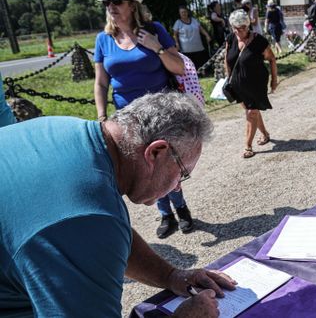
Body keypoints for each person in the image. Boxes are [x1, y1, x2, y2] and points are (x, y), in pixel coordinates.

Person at [0, 92, 236, 317]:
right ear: (156, 152)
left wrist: (171, 276)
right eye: (182, 173)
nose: (177, 187)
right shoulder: (87, 217)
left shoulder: (66, 129)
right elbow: (88, 229)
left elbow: (103, 236)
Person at [93, 0, 195, 239]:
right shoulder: (103, 40)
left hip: (162, 113)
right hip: (127, 116)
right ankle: (166, 214)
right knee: (144, 167)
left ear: (132, 5)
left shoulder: (154, 29)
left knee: (167, 161)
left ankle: (182, 209)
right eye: (107, 3)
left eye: (117, 2)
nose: (111, 7)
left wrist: (156, 47)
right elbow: (101, 82)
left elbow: (179, 68)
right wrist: (102, 116)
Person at [224, 10, 279, 159]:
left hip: (256, 83)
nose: (239, 30)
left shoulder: (259, 41)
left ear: (248, 26)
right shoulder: (230, 39)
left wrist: (274, 80)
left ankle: (248, 145)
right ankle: (265, 134)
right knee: (252, 111)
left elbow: (272, 59)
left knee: (251, 112)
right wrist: (228, 78)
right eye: (236, 27)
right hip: (238, 84)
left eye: (242, 27)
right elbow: (227, 59)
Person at [173, 5, 212, 70]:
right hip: (186, 49)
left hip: (198, 47)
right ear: (179, 14)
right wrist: (176, 43)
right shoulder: (178, 23)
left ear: (187, 12)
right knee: (190, 65)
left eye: (185, 12)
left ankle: (202, 73)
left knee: (200, 62)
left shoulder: (194, 20)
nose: (184, 13)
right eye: (182, 12)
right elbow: (175, 35)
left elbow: (201, 29)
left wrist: (207, 35)